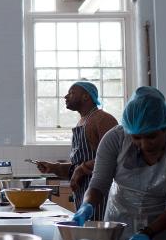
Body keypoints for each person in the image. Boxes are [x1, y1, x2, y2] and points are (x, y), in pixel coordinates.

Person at [73, 90, 166, 240]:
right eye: (136, 137)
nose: (145, 144)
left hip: (161, 230)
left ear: (165, 128)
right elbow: (99, 183)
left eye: (151, 136)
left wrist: (148, 233)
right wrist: (86, 206)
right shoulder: (115, 139)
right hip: (118, 223)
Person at [36, 81, 117, 209]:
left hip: (99, 195)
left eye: (71, 93)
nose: (66, 96)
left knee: (96, 228)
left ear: (86, 96)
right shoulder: (82, 122)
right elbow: (77, 164)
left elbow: (113, 158)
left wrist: (81, 169)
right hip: (82, 194)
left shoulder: (103, 119)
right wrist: (54, 167)